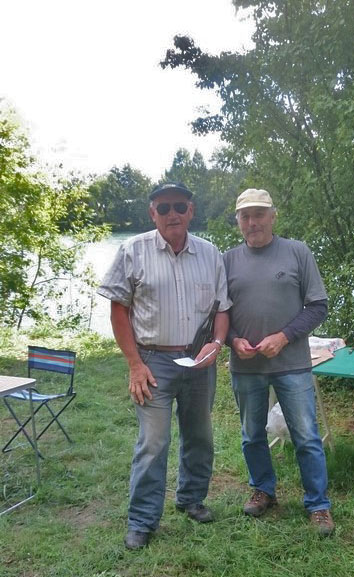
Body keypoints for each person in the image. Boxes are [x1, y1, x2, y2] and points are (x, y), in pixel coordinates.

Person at [97, 182, 231, 550]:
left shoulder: (210, 253)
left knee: (200, 436)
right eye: (164, 207)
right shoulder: (132, 250)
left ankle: (191, 499)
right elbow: (118, 309)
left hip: (198, 360)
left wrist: (217, 344)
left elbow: (222, 308)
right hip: (152, 360)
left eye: (180, 206)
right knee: (153, 443)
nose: (173, 213)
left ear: (191, 210)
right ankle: (142, 521)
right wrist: (134, 364)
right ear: (152, 213)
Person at [223, 188, 334, 537]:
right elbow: (217, 313)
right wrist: (232, 340)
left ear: (273, 216)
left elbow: (318, 306)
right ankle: (264, 490)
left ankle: (318, 505)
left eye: (259, 214)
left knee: (306, 436)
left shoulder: (297, 252)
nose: (252, 222)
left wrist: (284, 336)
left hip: (292, 364)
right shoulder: (227, 260)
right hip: (246, 366)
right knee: (252, 435)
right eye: (245, 216)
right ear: (238, 221)